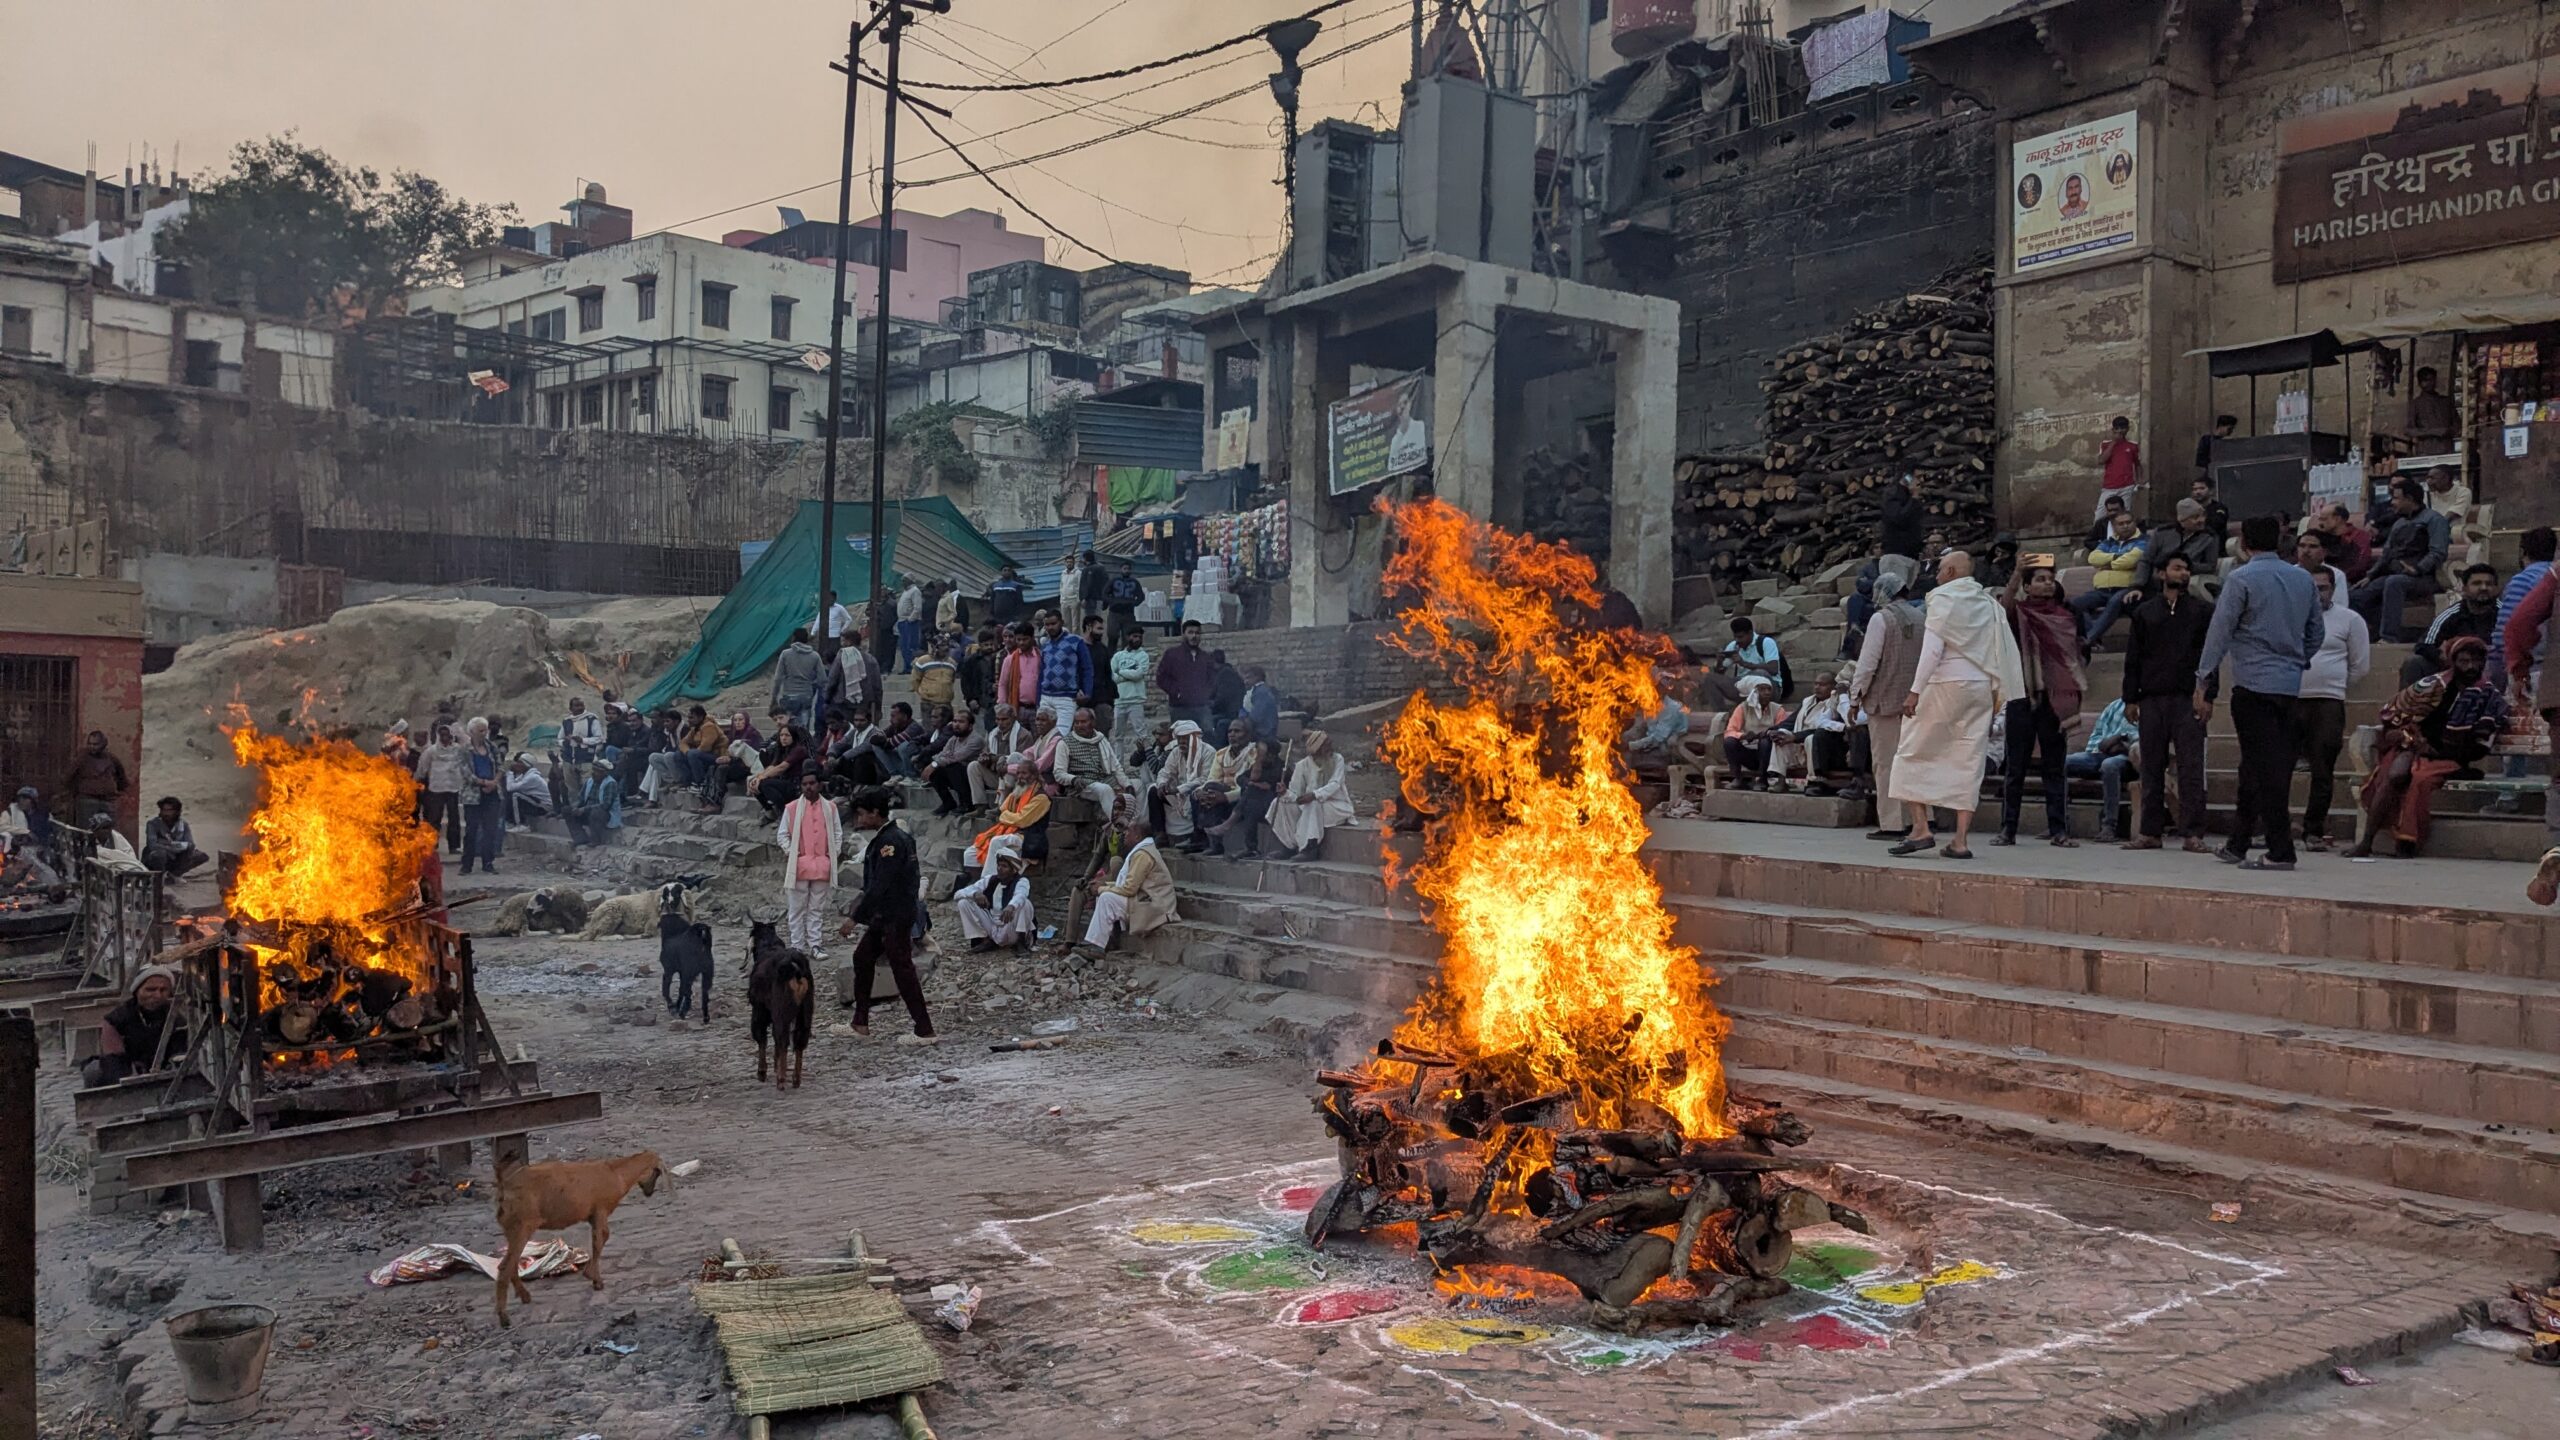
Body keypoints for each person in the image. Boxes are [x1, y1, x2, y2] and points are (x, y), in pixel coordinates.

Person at [2198, 514, 2324, 870]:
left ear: (2243, 544)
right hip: (2288, 684)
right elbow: (2316, 632)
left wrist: (2203, 678)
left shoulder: (2240, 579)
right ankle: (2239, 842)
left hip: (2253, 684)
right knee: (2255, 766)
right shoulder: (2302, 578)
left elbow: (2219, 632)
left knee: (2266, 769)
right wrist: (2297, 660)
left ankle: (2280, 849)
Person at [1889, 548, 2023, 860]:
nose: (1935, 576)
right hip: (1980, 686)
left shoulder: (1943, 597)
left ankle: (1921, 828)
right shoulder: (1987, 602)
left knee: (1910, 751)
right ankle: (1960, 841)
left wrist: (1914, 691)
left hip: (1944, 684)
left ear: (1949, 572)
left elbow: (1933, 650)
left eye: (1939, 571)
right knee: (1968, 758)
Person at [2353, 636, 2506, 858]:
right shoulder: (2433, 685)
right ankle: (2367, 841)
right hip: (2413, 743)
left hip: (2449, 756)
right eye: (2464, 661)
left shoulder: (2488, 696)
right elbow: (2396, 714)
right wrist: (2410, 739)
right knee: (2393, 775)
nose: (2471, 667)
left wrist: (2437, 752)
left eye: (2476, 662)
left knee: (2418, 780)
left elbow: (2480, 745)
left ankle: (2408, 841)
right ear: (2453, 661)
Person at [1996, 560, 2086, 848]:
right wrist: (2016, 572)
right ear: (2027, 586)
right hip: (2022, 696)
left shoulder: (2066, 616)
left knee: (2054, 767)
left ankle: (2059, 830)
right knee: (2015, 768)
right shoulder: (2019, 614)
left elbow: (2076, 655)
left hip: (2055, 699)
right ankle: (2007, 829)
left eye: (2050, 579)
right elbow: (2002, 609)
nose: (2047, 583)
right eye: (2040, 579)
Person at [839, 787, 936, 1043]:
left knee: (902, 968)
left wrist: (855, 917)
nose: (859, 820)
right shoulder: (893, 837)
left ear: (874, 812)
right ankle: (860, 1022)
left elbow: (881, 885)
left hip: (894, 914)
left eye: (862, 814)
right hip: (886, 915)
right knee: (862, 957)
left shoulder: (890, 842)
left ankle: (924, 1029)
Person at [2294, 563, 2369, 851]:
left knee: (2322, 769)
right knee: (2275, 767)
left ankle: (2313, 831)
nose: (2316, 593)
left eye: (2322, 588)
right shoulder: (2288, 618)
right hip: (2289, 700)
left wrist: (2332, 685)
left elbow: (2360, 666)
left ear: (2333, 590)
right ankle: (2272, 828)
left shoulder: (2350, 620)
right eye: (2310, 588)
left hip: (2327, 703)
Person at [1850, 568, 1926, 839]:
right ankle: (1916, 822)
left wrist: (1855, 697)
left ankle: (1892, 824)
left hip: (1885, 703)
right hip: (1917, 703)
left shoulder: (1880, 619)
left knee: (1886, 765)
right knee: (1913, 763)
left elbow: (1867, 664)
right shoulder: (1922, 618)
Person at [2352, 478, 2450, 643]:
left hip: (2424, 578)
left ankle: (2388, 638)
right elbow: (2387, 554)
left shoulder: (2433, 520)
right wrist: (2370, 576)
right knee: (2357, 595)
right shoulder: (2400, 522)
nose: (2392, 502)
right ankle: (2365, 636)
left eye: (2396, 498)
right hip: (2395, 574)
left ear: (2410, 499)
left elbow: (2437, 552)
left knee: (2394, 583)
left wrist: (2417, 569)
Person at [1080, 814, 1176, 953]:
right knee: (1106, 896)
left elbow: (1129, 889)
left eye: (1129, 831)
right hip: (1147, 899)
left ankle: (1096, 946)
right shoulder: (1143, 850)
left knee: (1107, 898)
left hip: (1155, 906)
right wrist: (1104, 887)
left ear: (1137, 836)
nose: (1125, 834)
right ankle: (1103, 942)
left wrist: (1101, 889)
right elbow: (1127, 884)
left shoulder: (1143, 854)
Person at [81, 963, 186, 1088]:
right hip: (128, 1070)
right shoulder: (116, 1020)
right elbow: (114, 1059)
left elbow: (181, 1051)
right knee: (93, 1070)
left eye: (163, 990)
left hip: (165, 1071)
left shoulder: (175, 1017)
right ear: (137, 991)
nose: (157, 995)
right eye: (150, 989)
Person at [777, 768, 843, 956]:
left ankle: (815, 944)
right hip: (799, 865)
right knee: (796, 908)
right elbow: (782, 835)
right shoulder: (792, 808)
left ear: (819, 784)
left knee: (816, 908)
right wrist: (792, 853)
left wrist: (833, 854)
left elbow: (838, 834)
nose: (808, 787)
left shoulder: (830, 807)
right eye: (805, 784)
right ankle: (797, 946)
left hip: (822, 864)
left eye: (812, 783)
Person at [2404, 563, 2502, 687]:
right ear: (2464, 589)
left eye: (2489, 584)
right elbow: (2423, 645)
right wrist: (2444, 656)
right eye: (2477, 583)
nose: (2483, 587)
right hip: (2455, 672)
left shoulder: (2506, 613)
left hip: (2495, 670)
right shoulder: (2451, 615)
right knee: (2414, 663)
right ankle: (2410, 705)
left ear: (2497, 589)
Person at [1267, 730, 1353, 861]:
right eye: (1326, 745)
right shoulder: (1302, 765)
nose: (1330, 748)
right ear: (1317, 749)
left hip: (1336, 807)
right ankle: (1289, 846)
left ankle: (1310, 848)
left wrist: (1314, 795)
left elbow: (1335, 783)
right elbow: (1295, 794)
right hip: (1308, 809)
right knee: (1278, 803)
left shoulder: (1337, 759)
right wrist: (1285, 793)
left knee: (1313, 803)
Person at [2065, 699, 2139, 842]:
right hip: (2100, 753)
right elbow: (2097, 735)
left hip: (2128, 758)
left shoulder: (2148, 706)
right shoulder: (2115, 705)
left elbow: (2144, 743)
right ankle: (2059, 822)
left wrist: (2123, 742)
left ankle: (2109, 826)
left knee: (2109, 765)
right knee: (2063, 763)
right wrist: (2105, 744)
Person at [2073, 507, 2148, 649]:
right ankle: (2094, 636)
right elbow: (2093, 558)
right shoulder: (2109, 542)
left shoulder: (2143, 541)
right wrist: (2116, 557)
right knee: (2075, 604)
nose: (2125, 526)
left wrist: (2106, 563)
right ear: (2114, 527)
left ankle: (2088, 640)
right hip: (2102, 590)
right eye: (2121, 524)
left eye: (2129, 522)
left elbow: (2131, 560)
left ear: (2134, 523)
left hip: (2127, 589)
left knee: (2115, 602)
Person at [954, 836, 1036, 952]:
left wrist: (1011, 906)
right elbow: (958, 894)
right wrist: (975, 893)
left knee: (1026, 904)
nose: (999, 869)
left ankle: (1020, 943)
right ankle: (985, 940)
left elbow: (1021, 894)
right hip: (992, 927)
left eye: (1004, 866)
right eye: (999, 865)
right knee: (964, 902)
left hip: (1010, 929)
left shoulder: (1021, 881)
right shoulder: (990, 880)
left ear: (1013, 870)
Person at [968, 760, 1055, 869]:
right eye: (1018, 773)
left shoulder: (1041, 798)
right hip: (1010, 832)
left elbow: (1021, 821)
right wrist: (1006, 815)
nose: (1020, 776)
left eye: (1024, 773)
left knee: (996, 841)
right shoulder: (1017, 792)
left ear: (1034, 776)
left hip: (1028, 838)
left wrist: (1004, 816)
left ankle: (990, 882)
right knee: (969, 854)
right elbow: (1002, 809)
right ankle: (977, 883)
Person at [2137, 499, 2223, 601]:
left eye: (2203, 515)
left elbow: (2210, 566)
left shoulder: (2209, 537)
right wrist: (2138, 586)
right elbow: (2145, 560)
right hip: (2156, 582)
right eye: (2195, 517)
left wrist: (2183, 566)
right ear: (2182, 520)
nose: (2201, 520)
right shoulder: (2162, 533)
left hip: (2187, 582)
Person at [1054, 706, 1131, 818]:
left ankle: (1140, 828)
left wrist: (1127, 784)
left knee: (1137, 786)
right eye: (1077, 722)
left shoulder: (1101, 739)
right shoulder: (1065, 743)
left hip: (1105, 779)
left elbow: (1115, 765)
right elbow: (1058, 773)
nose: (1080, 725)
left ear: (1093, 722)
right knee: (1104, 790)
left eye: (1084, 722)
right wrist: (1073, 779)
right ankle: (1118, 825)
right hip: (1082, 785)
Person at [1790, 672, 1857, 793]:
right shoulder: (1807, 701)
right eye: (1816, 684)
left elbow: (1848, 724)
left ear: (1833, 687)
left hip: (1833, 752)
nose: (1817, 687)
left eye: (1822, 684)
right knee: (1778, 736)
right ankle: (1773, 779)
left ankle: (1816, 780)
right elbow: (1820, 722)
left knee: (1814, 737)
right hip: (1799, 745)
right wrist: (1771, 732)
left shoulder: (1839, 701)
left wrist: (1795, 736)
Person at [1152, 718, 1213, 846]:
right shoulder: (1176, 752)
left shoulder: (1208, 752)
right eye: (1179, 738)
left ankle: (1199, 837)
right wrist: (1162, 784)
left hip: (1195, 792)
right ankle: (1160, 834)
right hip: (1179, 795)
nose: (1182, 742)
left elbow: (1204, 779)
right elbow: (1164, 772)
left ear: (1196, 737)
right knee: (1153, 789)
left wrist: (1179, 789)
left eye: (1185, 738)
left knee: (1198, 792)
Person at [1721, 678, 1788, 790]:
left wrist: (1768, 734)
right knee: (1729, 742)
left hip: (1769, 755)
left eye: (1769, 689)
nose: (1767, 692)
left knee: (1765, 742)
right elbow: (1730, 731)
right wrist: (1743, 736)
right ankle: (1737, 778)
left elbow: (1782, 732)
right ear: (1754, 692)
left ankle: (1763, 780)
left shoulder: (1778, 710)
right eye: (1762, 689)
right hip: (1748, 753)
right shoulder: (1743, 708)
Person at [1156, 619, 1220, 733]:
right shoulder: (1172, 654)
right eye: (1190, 632)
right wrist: (1177, 692)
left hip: (1202, 707)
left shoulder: (1206, 657)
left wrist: (1206, 695)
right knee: (1183, 738)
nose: (1194, 636)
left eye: (1197, 633)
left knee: (1207, 736)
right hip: (1180, 707)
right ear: (1183, 634)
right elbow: (1161, 678)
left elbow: (1213, 679)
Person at [461, 719, 504, 874]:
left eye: (485, 730)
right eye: (480, 731)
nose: (484, 733)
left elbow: (500, 766)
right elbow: (465, 772)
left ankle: (488, 862)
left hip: (492, 793)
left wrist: (494, 782)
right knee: (471, 830)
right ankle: (467, 864)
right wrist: (483, 782)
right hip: (473, 794)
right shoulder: (465, 750)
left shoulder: (492, 748)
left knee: (490, 830)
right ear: (471, 732)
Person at [922, 711, 986, 817]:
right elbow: (942, 754)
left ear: (970, 726)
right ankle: (948, 803)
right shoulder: (953, 739)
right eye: (955, 721)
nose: (956, 724)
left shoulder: (976, 740)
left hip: (974, 778)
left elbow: (956, 757)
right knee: (936, 771)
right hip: (958, 776)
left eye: (961, 722)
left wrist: (934, 764)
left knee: (953, 767)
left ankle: (966, 804)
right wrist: (933, 764)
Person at [65, 730, 128, 829]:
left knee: (111, 831)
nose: (92, 747)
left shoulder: (112, 759)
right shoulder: (81, 759)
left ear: (103, 744)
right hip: (87, 800)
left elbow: (122, 778)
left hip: (108, 801)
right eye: (90, 744)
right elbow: (69, 777)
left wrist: (117, 791)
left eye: (96, 744)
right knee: (86, 831)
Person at [750, 721, 813, 818]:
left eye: (787, 735)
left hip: (796, 785)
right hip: (784, 782)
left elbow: (781, 767)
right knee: (754, 783)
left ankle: (784, 812)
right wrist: (757, 778)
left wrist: (761, 779)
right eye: (781, 735)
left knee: (765, 784)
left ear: (793, 736)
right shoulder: (781, 750)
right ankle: (770, 812)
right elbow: (772, 766)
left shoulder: (799, 749)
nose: (783, 738)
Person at [771, 628, 826, 735]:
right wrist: (812, 683)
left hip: (788, 695)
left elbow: (778, 678)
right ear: (807, 639)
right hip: (806, 696)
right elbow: (822, 679)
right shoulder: (815, 656)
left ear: (794, 638)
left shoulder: (785, 654)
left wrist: (774, 698)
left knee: (786, 729)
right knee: (803, 730)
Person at [139, 797, 207, 877]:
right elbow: (152, 845)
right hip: (157, 859)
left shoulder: (183, 825)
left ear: (177, 812)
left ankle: (174, 875)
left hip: (174, 856)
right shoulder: (153, 824)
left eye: (169, 810)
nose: (166, 813)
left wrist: (170, 844)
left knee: (201, 856)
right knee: (160, 854)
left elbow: (191, 844)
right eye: (164, 810)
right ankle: (159, 878)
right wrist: (172, 847)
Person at [563, 758, 623, 848]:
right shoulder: (590, 781)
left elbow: (606, 805)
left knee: (596, 812)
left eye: (598, 771)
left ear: (604, 773)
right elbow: (581, 798)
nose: (594, 773)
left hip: (605, 814)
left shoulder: (610, 783)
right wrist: (576, 807)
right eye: (594, 770)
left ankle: (596, 839)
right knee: (566, 810)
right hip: (588, 811)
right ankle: (580, 838)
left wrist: (584, 809)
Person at [1109, 629, 1152, 748]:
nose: (1137, 639)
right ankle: (1119, 765)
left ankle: (1146, 765)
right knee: (1118, 736)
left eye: (1139, 636)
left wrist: (1121, 672)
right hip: (1119, 700)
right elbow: (1113, 676)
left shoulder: (1143, 655)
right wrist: (1129, 673)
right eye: (1134, 636)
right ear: (1128, 637)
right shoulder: (1118, 656)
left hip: (1136, 700)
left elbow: (1139, 674)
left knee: (1142, 735)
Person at [1878, 473, 1926, 580]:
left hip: (1911, 555)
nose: (1921, 481)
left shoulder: (1910, 497)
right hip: (1896, 556)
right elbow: (1899, 518)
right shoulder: (1892, 495)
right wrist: (1914, 498)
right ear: (1907, 478)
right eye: (1917, 477)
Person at [2096, 414, 2142, 518]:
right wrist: (2114, 442)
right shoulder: (2105, 444)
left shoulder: (2133, 445)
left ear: (2127, 429)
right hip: (2109, 486)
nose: (2120, 431)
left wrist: (2139, 482)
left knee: (2124, 515)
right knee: (2100, 515)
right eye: (2117, 428)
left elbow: (2138, 464)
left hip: (2127, 486)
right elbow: (2101, 460)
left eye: (2122, 428)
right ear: (2113, 430)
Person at [2407, 367, 2458, 451]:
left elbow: (2457, 424)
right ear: (2420, 383)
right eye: (2426, 380)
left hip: (2446, 447)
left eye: (2432, 380)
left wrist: (2448, 431)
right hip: (2426, 448)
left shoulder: (2446, 401)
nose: (2430, 383)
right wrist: (2432, 432)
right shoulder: (2416, 403)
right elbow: (2409, 430)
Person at [503, 754, 553, 831]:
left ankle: (522, 825)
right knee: (508, 794)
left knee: (515, 795)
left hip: (543, 806)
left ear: (526, 765)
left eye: (520, 762)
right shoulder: (524, 775)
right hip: (534, 802)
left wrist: (510, 773)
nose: (516, 764)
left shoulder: (532, 777)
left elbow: (510, 788)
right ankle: (508, 821)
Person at [1103, 561, 1146, 645]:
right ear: (1121, 569)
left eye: (1128, 569)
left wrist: (1133, 603)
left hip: (1128, 613)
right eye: (1124, 569)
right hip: (1114, 612)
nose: (1126, 571)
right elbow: (1105, 593)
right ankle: (1111, 656)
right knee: (1112, 635)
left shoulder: (1135, 582)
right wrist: (1112, 602)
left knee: (1127, 637)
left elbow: (1141, 596)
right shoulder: (1114, 581)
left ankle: (1125, 655)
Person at [1208, 650, 1247, 738]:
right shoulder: (1226, 672)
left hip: (1231, 713)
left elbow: (1222, 699)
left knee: (1208, 721)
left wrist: (1209, 705)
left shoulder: (1225, 673)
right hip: (1228, 711)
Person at [558, 697, 604, 769]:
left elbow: (599, 738)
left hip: (586, 759)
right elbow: (559, 739)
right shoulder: (567, 721)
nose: (580, 708)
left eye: (581, 705)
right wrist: (565, 742)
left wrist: (582, 740)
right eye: (576, 706)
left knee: (586, 780)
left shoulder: (591, 719)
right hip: (568, 759)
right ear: (571, 708)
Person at [1239, 664, 1280, 743]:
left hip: (1263, 733)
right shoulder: (1255, 691)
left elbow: (1256, 717)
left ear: (1257, 677)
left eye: (1248, 678)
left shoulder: (1261, 692)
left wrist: (1243, 722)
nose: (1245, 682)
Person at [895, 577, 927, 674]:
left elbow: (917, 608)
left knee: (911, 645)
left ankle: (912, 667)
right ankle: (907, 666)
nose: (902, 582)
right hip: (902, 621)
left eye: (904, 580)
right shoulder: (905, 592)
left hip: (910, 622)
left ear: (910, 580)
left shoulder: (915, 591)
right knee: (903, 646)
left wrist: (910, 620)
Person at [2189, 475, 2231, 543]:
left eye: (2202, 488)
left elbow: (2216, 524)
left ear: (2211, 491)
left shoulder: (2219, 508)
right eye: (2195, 489)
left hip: (2215, 549)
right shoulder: (2189, 509)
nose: (2198, 492)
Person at [2195, 414, 2237, 480]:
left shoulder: (2229, 442)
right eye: (2229, 429)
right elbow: (2200, 460)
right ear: (2220, 426)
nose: (2231, 432)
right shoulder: (2207, 440)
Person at [1080, 549, 1113, 626]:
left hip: (1090, 601)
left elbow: (1088, 585)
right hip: (1100, 599)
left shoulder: (1087, 569)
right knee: (1098, 621)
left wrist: (1084, 598)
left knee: (1090, 622)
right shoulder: (1102, 568)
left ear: (1085, 558)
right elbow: (1107, 583)